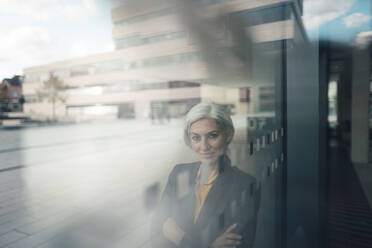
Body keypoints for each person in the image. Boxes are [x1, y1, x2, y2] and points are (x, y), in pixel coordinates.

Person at [151, 102, 260, 248]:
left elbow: (238, 245)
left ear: (228, 134)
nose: (204, 146)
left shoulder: (245, 185)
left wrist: (180, 237)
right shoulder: (179, 173)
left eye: (212, 136)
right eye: (196, 138)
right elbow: (157, 228)